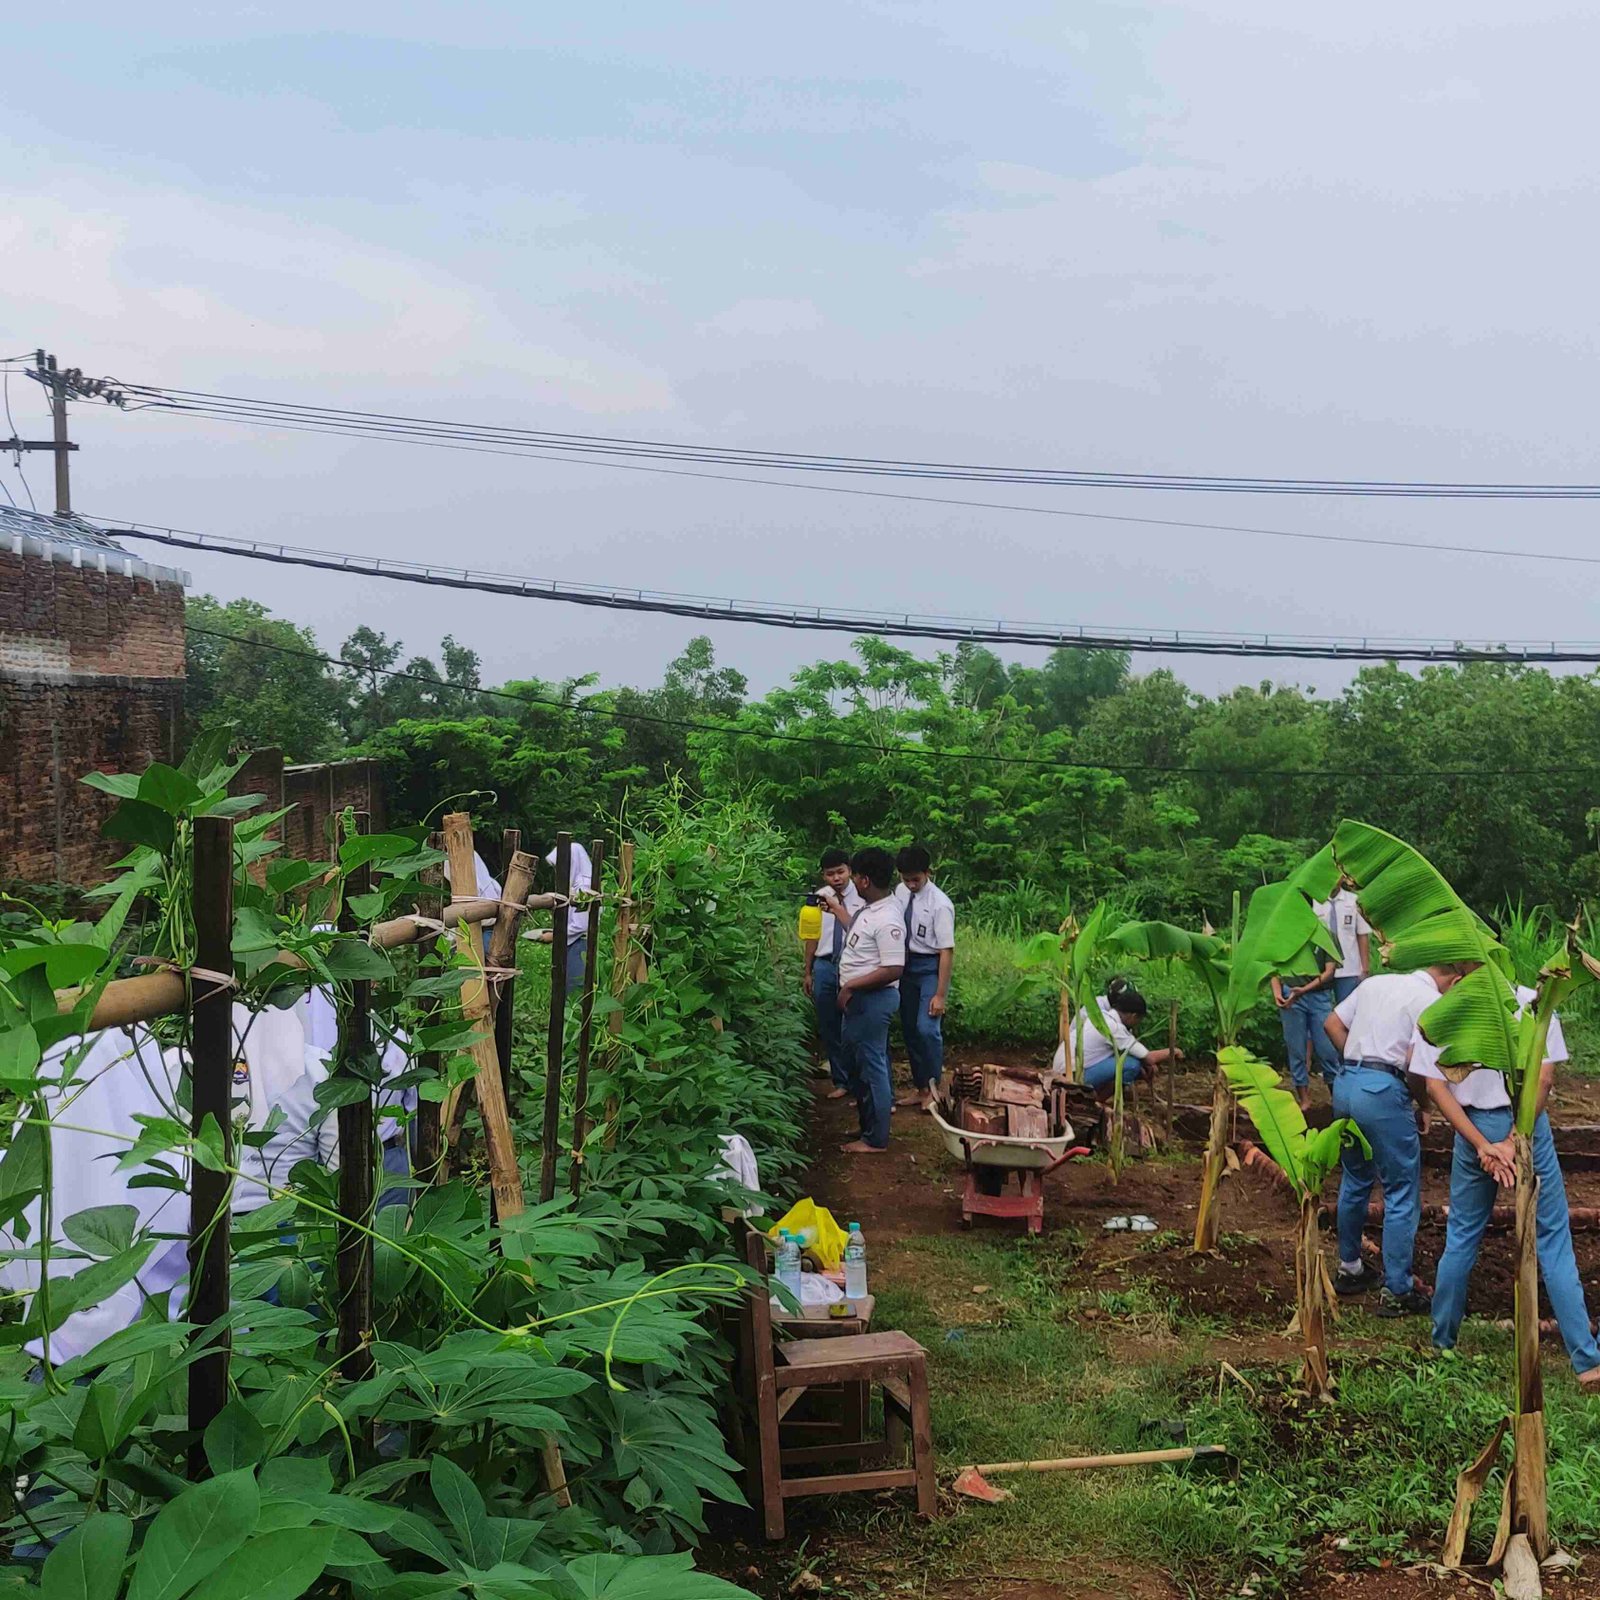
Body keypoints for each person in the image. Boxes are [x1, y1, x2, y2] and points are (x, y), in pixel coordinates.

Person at [1411, 985, 1600, 1388]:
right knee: (1552, 1238)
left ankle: (1442, 1344)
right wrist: (1515, 1139)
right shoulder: (1535, 1001)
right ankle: (1586, 1362)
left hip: (1471, 1124)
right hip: (1525, 1124)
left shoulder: (1443, 1008)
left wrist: (1481, 1144)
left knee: (1461, 1234)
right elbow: (1543, 1080)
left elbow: (1433, 1086)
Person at [1323, 963, 1466, 1316]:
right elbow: (1417, 1064)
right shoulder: (1430, 1000)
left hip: (1346, 1084)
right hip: (1383, 1091)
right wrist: (1423, 1104)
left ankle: (1350, 1268)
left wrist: (1358, 1062)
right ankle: (1398, 1289)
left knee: (1356, 1177)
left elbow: (1332, 1024)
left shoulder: (1376, 983)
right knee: (1400, 1190)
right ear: (1455, 979)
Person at [836, 846, 906, 1155]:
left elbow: (893, 968)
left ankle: (876, 1138)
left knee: (872, 1066)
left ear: (865, 880)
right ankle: (868, 1126)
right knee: (859, 1066)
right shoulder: (870, 910)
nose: (852, 881)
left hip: (873, 1000)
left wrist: (851, 985)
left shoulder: (888, 918)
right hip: (860, 1001)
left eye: (854, 876)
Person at [893, 844, 955, 1112]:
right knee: (909, 1029)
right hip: (905, 966)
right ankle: (920, 1089)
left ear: (928, 872)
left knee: (927, 1029)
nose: (911, 884)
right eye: (906, 879)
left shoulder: (940, 904)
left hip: (929, 967)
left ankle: (934, 1088)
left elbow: (946, 951)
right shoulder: (900, 892)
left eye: (916, 879)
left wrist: (940, 994)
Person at [1055, 977, 1183, 1097]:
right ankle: (1095, 1101)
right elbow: (1149, 1057)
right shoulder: (1116, 1028)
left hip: (1062, 1071)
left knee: (1132, 1063)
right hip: (1072, 1077)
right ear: (1133, 1016)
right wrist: (1173, 1051)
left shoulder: (1102, 1016)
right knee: (1132, 1065)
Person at [803, 847, 862, 1101]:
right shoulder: (819, 897)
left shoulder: (863, 896)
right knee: (829, 1024)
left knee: (856, 1025)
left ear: (849, 870)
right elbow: (811, 936)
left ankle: (862, 1082)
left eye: (840, 872)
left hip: (853, 965)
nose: (836, 878)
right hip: (825, 964)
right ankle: (841, 1080)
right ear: (823, 875)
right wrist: (807, 971)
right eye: (830, 874)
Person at [1272, 954, 1341, 1109]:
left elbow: (1330, 971)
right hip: (1290, 994)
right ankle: (1304, 1100)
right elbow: (1273, 965)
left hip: (1319, 994)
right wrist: (1277, 992)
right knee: (1296, 1049)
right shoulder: (1287, 941)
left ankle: (1336, 1098)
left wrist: (1304, 989)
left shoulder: (1325, 940)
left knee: (1327, 1050)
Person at [546, 840, 595, 991]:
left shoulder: (584, 886)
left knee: (575, 990)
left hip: (579, 944)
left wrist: (555, 935)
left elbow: (581, 924)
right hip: (574, 941)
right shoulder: (578, 883)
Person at [1315, 879, 1372, 1005]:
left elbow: (1362, 935)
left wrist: (1365, 969)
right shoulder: (1315, 901)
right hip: (1321, 969)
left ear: (1342, 878)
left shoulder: (1354, 901)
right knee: (1322, 1010)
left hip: (1349, 968)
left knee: (1347, 1009)